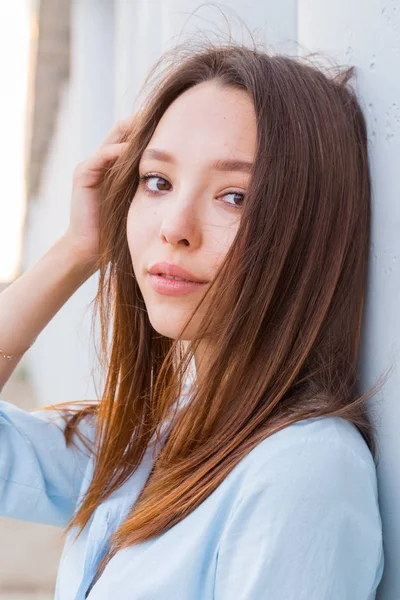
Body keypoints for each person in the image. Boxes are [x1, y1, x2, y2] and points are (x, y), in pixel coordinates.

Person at [0, 40, 389, 599]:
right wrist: (76, 250)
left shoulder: (301, 474)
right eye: (157, 181)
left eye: (234, 196)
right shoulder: (150, 441)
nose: (175, 226)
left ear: (305, 228)